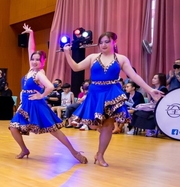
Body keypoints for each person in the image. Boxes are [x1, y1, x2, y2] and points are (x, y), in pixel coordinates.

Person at [63, 32, 163, 167]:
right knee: (93, 124)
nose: (103, 45)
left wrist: (150, 90)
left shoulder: (121, 59)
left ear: (113, 42)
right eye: (101, 42)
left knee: (108, 125)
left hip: (111, 93)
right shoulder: (93, 57)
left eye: (107, 42)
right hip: (95, 94)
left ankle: (100, 154)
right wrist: (67, 53)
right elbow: (76, 67)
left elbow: (134, 76)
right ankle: (100, 138)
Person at [9, 25, 87, 163]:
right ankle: (24, 149)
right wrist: (31, 33)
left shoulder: (39, 73)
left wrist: (41, 95)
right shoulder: (31, 70)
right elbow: (31, 49)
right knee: (13, 127)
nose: (34, 61)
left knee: (54, 131)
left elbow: (50, 86)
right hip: (26, 105)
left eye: (37, 60)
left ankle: (74, 153)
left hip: (37, 105)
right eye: (33, 59)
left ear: (43, 62)